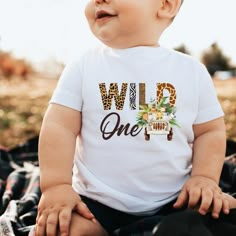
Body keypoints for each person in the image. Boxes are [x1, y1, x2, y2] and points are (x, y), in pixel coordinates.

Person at [35, 0, 232, 235]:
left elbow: (210, 131)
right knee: (59, 229)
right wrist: (56, 185)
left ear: (166, 5)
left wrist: (204, 177)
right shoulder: (83, 66)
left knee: (217, 214)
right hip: (97, 203)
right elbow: (59, 127)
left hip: (176, 200)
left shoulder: (191, 71)